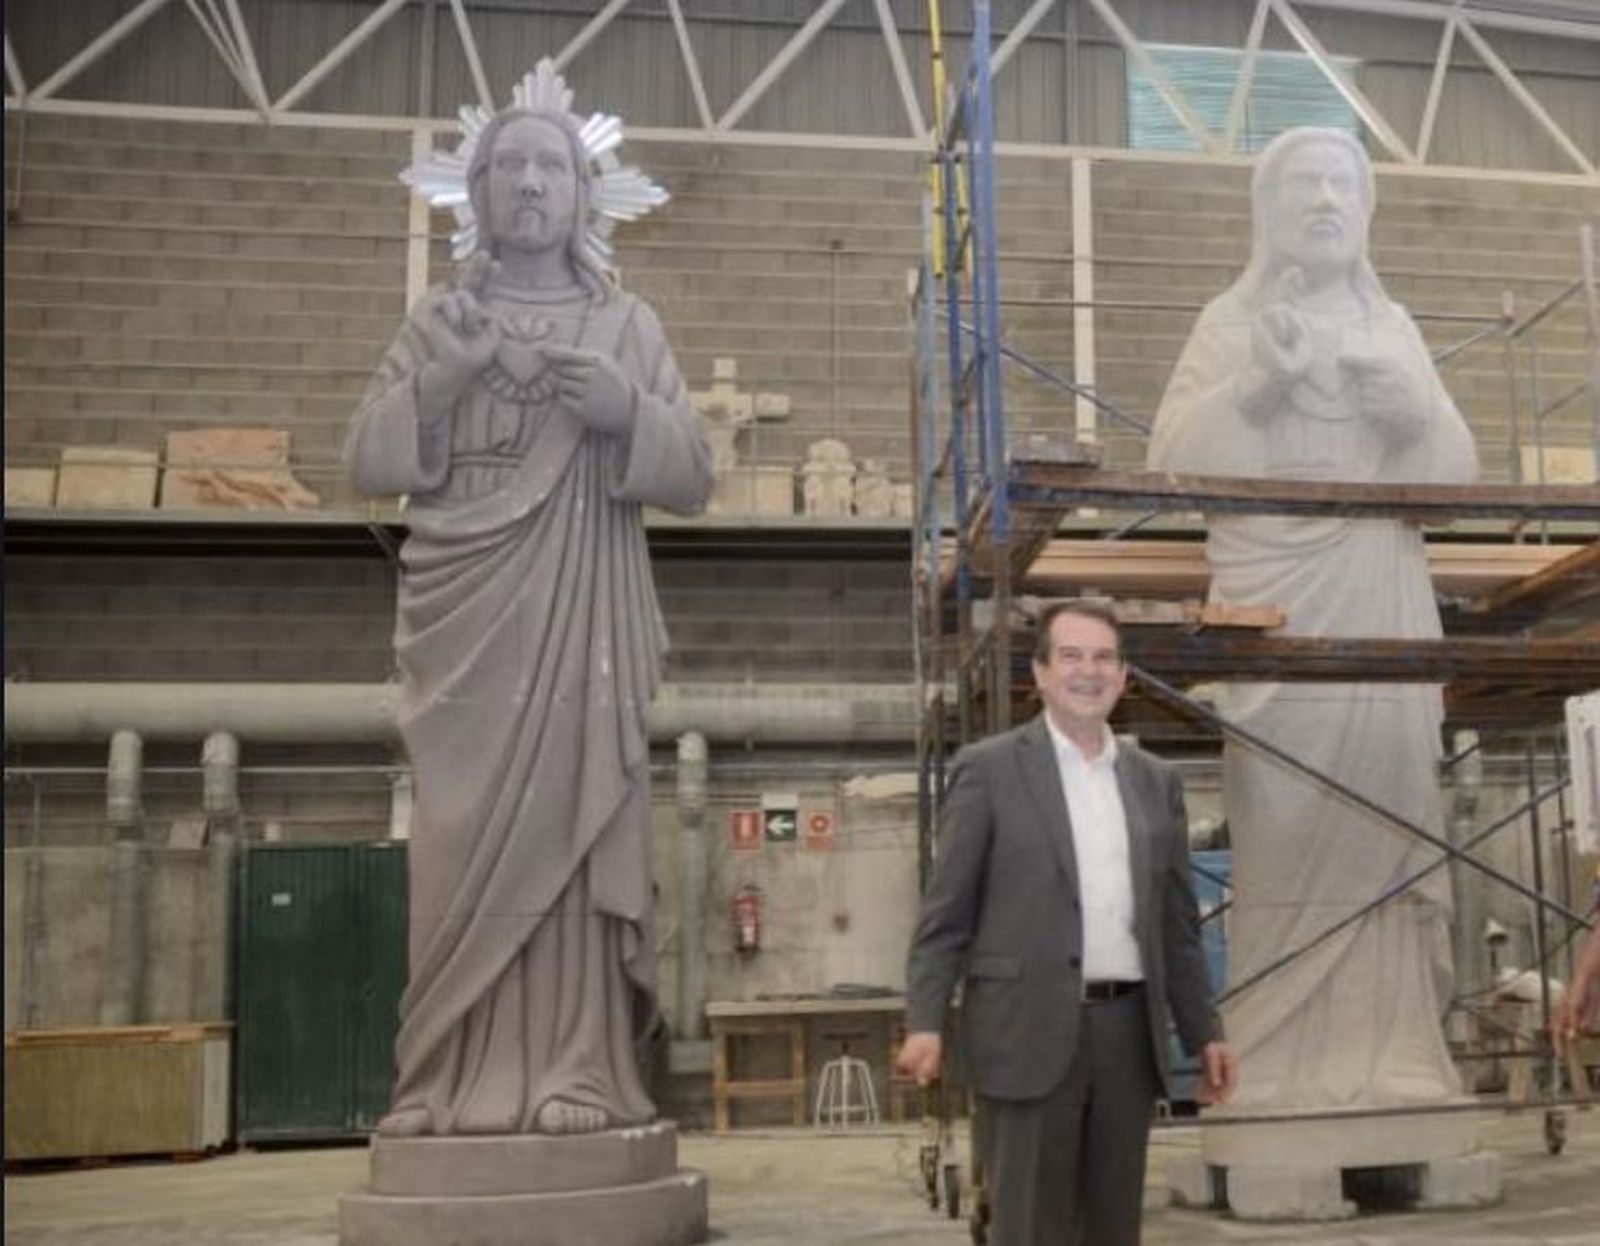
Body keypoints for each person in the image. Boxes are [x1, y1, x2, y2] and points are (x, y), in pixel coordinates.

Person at [345, 72, 712, 1137]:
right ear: (479, 190)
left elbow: (692, 473)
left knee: (571, 833)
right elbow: (365, 458)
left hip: (578, 623)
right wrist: (442, 385)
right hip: (465, 636)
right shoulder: (438, 320)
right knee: (459, 849)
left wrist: (625, 410)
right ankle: (443, 1079)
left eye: (554, 165)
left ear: (586, 195)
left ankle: (579, 1070)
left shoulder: (626, 323)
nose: (533, 183)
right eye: (511, 165)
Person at [1147, 127, 1479, 1112]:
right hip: (1278, 611)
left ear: (1364, 209)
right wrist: (1264, 382)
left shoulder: (1393, 325)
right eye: (1304, 184)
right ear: (1268, 209)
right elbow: (1171, 460)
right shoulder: (1226, 323)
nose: (1325, 199)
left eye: (1343, 183)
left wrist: (1410, 411)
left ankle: (1397, 1055)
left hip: (1380, 589)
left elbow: (1453, 482)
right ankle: (1283, 1062)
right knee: (1287, 819)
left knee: (1390, 815)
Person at [900, 599, 1233, 1246]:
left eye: (1104, 657)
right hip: (1023, 1032)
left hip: (1125, 1039)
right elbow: (946, 914)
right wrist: (924, 1021)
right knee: (1029, 1227)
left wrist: (1205, 1032)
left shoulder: (1154, 783)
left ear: (1124, 675)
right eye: (1072, 656)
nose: (1089, 671)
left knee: (1114, 1228)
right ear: (1042, 673)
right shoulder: (990, 770)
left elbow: (1177, 926)